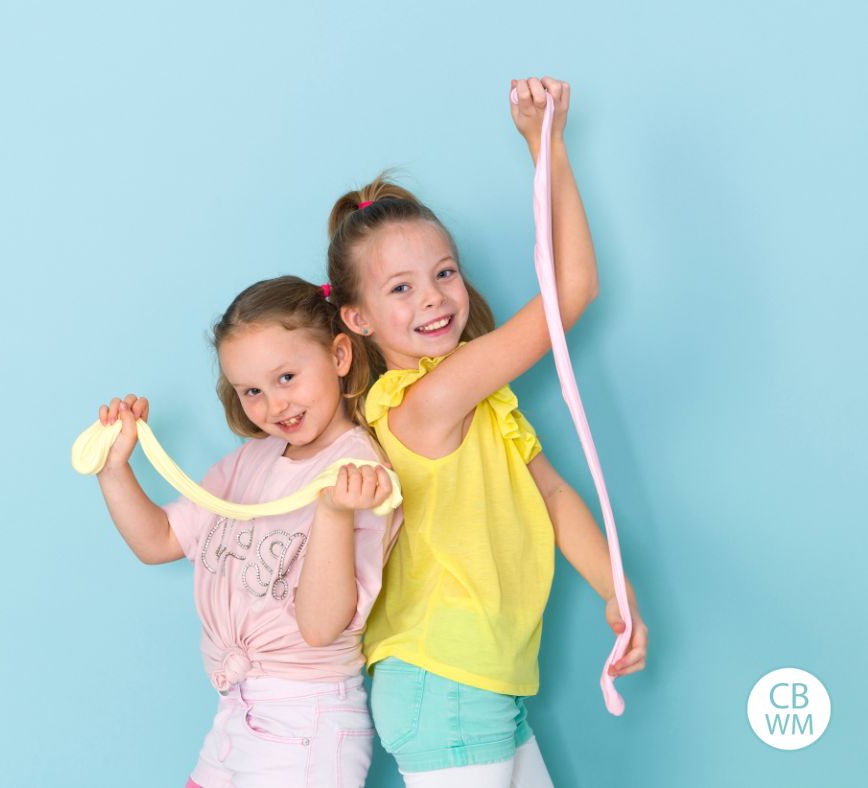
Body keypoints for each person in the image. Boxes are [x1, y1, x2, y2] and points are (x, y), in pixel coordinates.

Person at [325, 77, 648, 786]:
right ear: (357, 319)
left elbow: (555, 498)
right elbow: (574, 291)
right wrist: (546, 147)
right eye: (400, 288)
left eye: (445, 272)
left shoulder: (483, 399)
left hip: (483, 681)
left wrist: (613, 593)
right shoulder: (427, 400)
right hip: (444, 684)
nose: (435, 297)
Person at [91, 276, 401, 788]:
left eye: (286, 377)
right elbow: (160, 540)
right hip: (237, 711)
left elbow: (322, 627)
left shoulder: (358, 473)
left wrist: (333, 513)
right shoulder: (249, 462)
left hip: (306, 718)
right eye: (252, 391)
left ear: (339, 355)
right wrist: (114, 468)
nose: (275, 406)